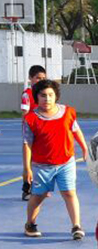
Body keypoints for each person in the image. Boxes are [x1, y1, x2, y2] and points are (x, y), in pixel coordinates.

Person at [22, 79, 88, 240]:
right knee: (39, 195)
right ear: (36, 97)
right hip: (42, 166)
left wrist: (85, 148)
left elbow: (76, 131)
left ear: (56, 96)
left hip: (66, 162)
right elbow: (27, 144)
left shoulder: (67, 112)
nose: (47, 99)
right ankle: (30, 223)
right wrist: (27, 169)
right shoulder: (31, 119)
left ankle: (76, 226)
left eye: (51, 95)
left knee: (69, 193)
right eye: (43, 95)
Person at [20, 65, 47, 201]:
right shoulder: (27, 94)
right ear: (30, 78)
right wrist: (26, 132)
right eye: (38, 78)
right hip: (31, 133)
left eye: (43, 78)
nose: (41, 80)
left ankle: (42, 188)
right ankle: (26, 189)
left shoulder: (45, 94)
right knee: (29, 163)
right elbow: (25, 114)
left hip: (43, 132)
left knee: (43, 161)